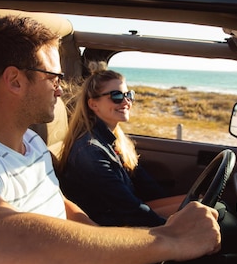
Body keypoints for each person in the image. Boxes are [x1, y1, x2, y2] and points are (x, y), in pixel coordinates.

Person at [0, 16, 221, 264]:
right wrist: (167, 239)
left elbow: (62, 207)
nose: (61, 89)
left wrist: (108, 250)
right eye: (53, 77)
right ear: (14, 80)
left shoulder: (31, 143)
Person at [57, 65, 182, 227]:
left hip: (126, 214)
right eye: (116, 96)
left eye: (128, 95)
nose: (126, 101)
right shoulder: (90, 151)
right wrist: (172, 230)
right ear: (94, 104)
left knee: (199, 204)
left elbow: (147, 187)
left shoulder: (116, 141)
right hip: (111, 226)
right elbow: (128, 209)